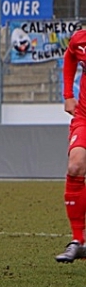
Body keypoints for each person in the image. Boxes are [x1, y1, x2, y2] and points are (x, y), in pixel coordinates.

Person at [56, 29, 86, 262]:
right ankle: (78, 241)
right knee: (75, 166)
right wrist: (68, 94)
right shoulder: (81, 38)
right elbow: (70, 56)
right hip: (84, 116)